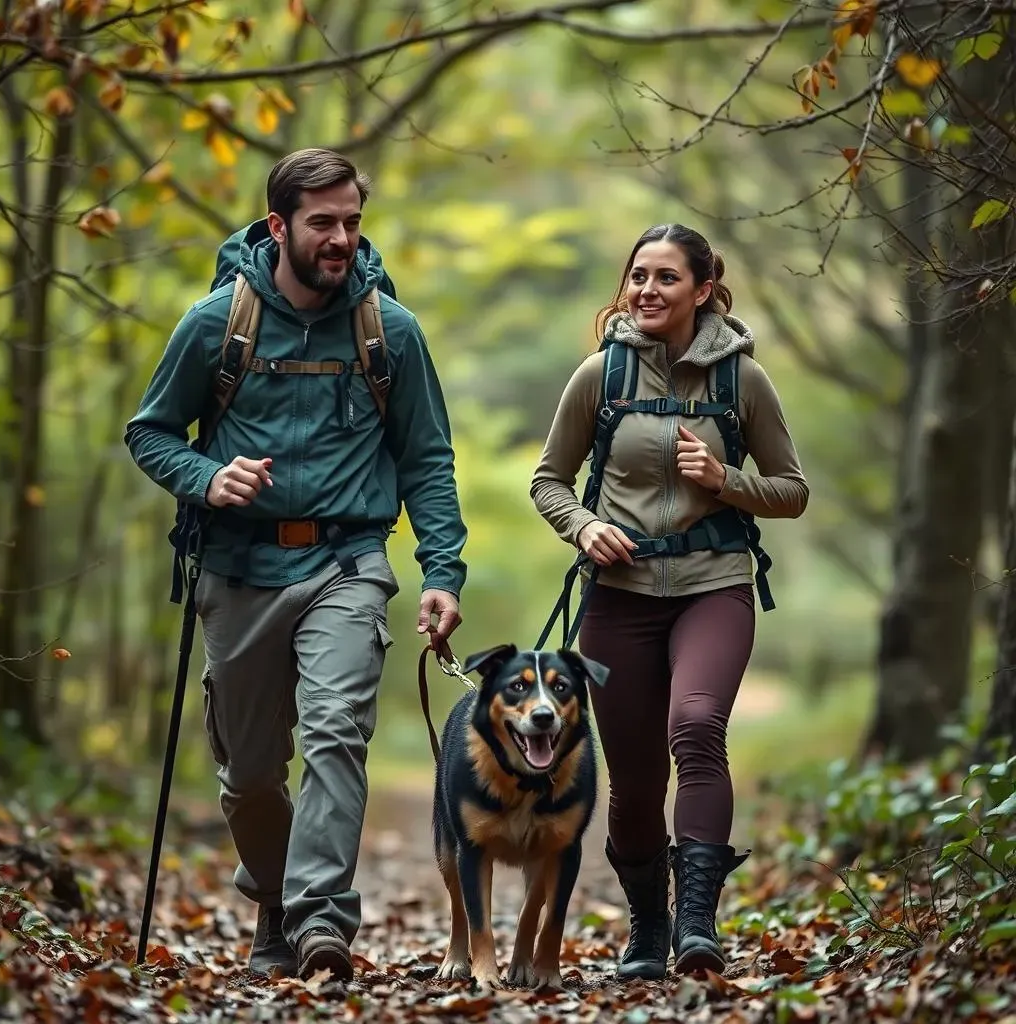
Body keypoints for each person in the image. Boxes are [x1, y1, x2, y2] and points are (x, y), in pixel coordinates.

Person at [125, 148, 468, 981]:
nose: (342, 237)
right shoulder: (217, 323)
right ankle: (274, 904)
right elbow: (150, 431)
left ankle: (321, 922)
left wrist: (442, 573)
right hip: (239, 569)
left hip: (348, 564)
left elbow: (426, 458)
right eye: (323, 222)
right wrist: (209, 478)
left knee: (335, 734)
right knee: (248, 779)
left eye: (352, 220)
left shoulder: (392, 330)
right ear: (279, 225)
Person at [530, 223, 808, 980]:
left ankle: (696, 923)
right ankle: (648, 928)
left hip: (711, 585)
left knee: (696, 727)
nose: (647, 291)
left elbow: (792, 492)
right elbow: (547, 480)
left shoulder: (741, 381)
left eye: (666, 279)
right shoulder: (600, 377)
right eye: (638, 277)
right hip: (617, 599)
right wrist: (585, 528)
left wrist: (725, 482)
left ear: (704, 290)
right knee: (637, 775)